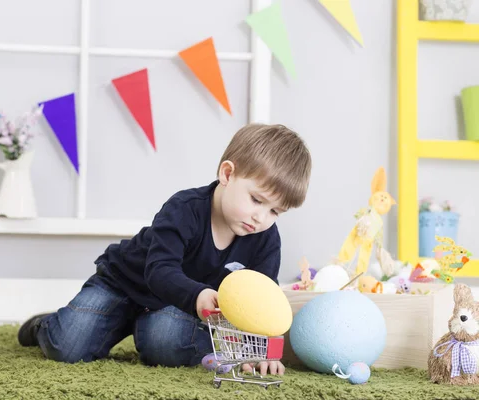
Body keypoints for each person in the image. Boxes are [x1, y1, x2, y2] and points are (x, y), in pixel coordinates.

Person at [18, 123, 312, 376]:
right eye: (257, 200)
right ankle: (46, 325)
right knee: (68, 345)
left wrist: (263, 349)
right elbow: (159, 270)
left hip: (174, 306)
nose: (261, 217)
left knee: (165, 345)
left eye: (276, 211)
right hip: (126, 283)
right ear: (227, 174)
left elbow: (262, 301)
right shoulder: (185, 209)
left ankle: (149, 329)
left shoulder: (265, 238)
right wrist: (198, 294)